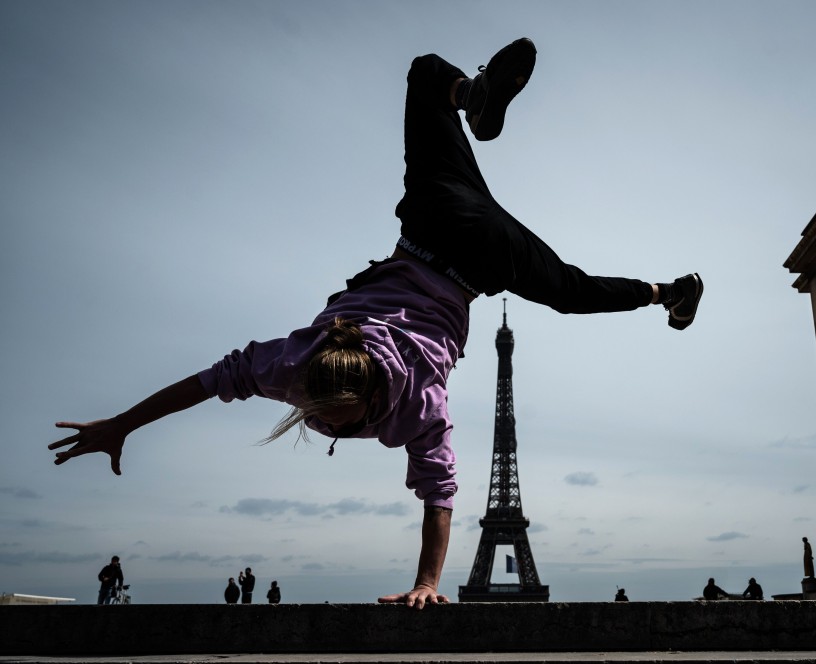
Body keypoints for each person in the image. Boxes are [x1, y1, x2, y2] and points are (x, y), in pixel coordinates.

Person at [48, 38, 703, 610]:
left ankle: (664, 289)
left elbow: (441, 496)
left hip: (469, 255)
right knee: (425, 75)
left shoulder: (416, 400)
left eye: (330, 420)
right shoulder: (293, 365)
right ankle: (475, 101)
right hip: (439, 219)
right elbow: (209, 381)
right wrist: (121, 424)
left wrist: (427, 581)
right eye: (321, 415)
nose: (323, 425)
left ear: (366, 399)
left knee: (569, 290)